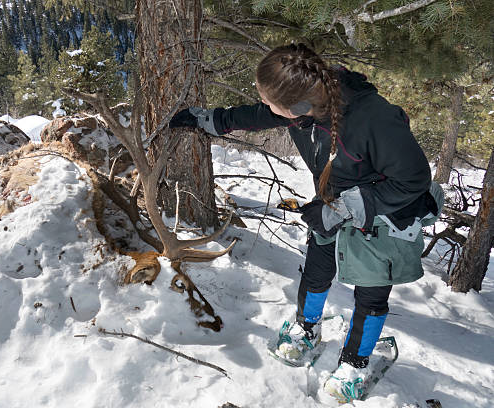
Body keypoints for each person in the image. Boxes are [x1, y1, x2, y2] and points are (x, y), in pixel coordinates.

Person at [169, 43, 442, 403]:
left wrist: (340, 210)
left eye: (271, 102)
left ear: (297, 106)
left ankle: (355, 362)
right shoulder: (301, 110)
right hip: (331, 207)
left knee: (371, 293)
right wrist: (209, 119)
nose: (267, 107)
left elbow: (413, 179)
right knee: (315, 272)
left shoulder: (373, 118)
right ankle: (306, 328)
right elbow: (254, 115)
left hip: (384, 219)